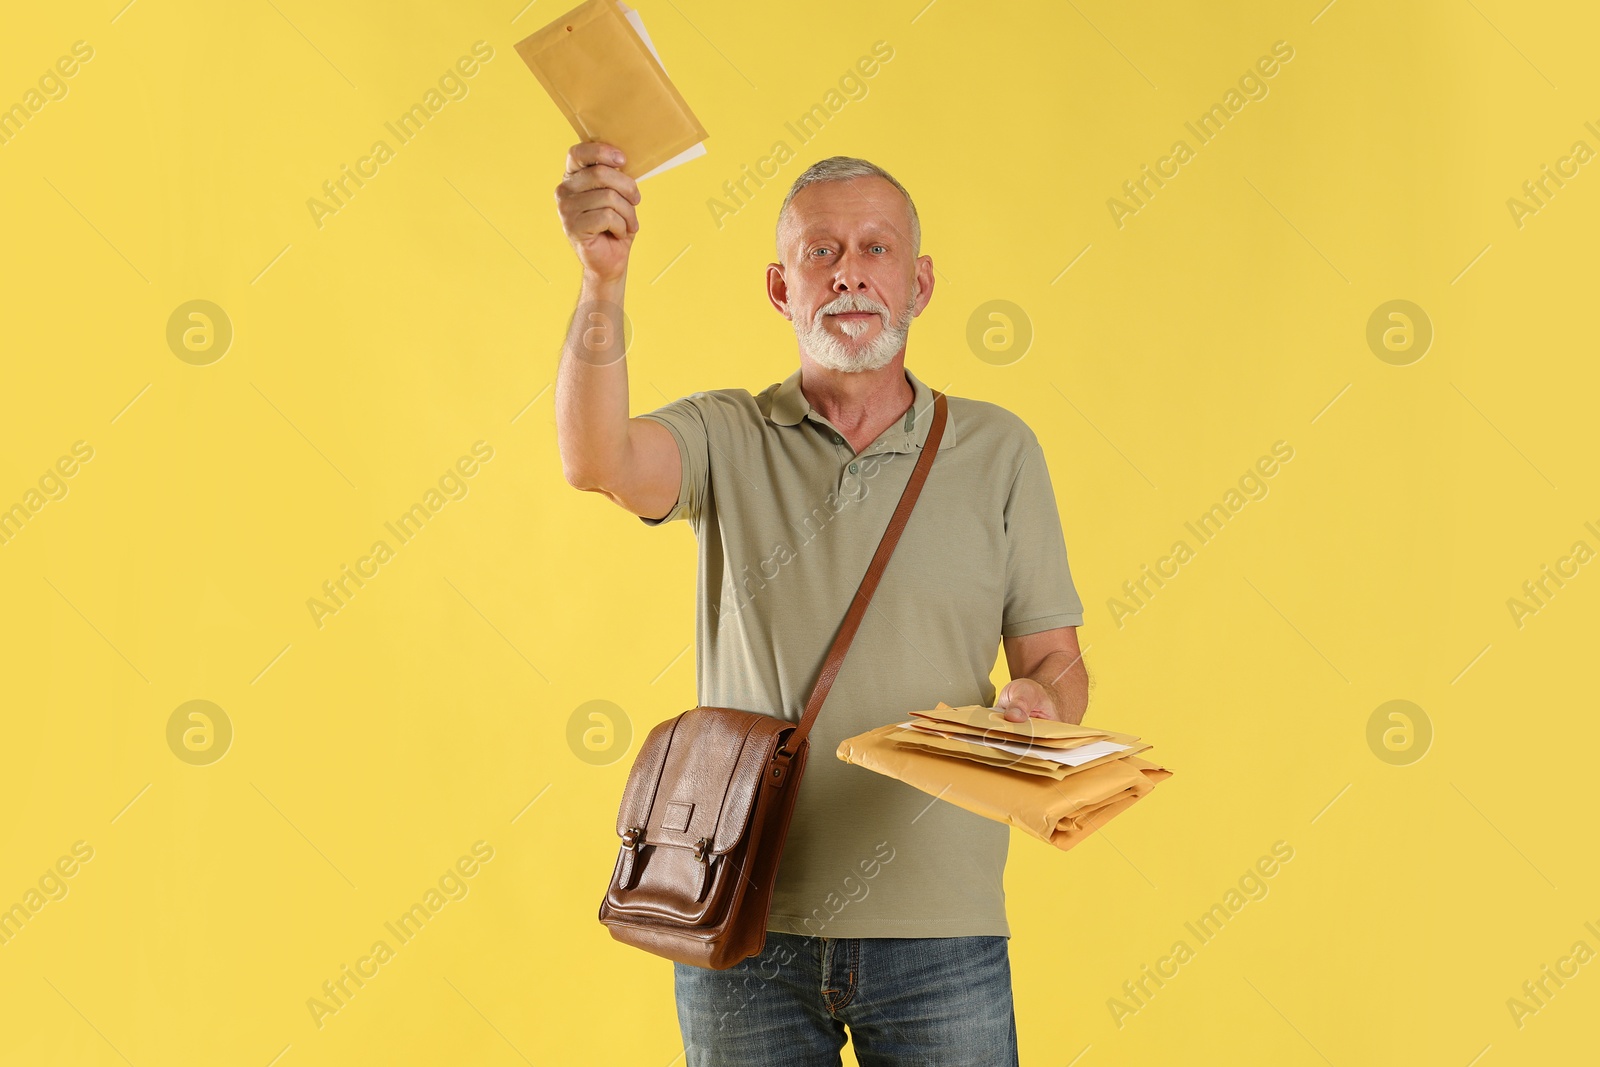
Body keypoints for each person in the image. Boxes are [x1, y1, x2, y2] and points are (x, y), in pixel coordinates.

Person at [553, 140, 1089, 1066]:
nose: (851, 274)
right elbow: (595, 461)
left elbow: (1057, 661)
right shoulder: (726, 433)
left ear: (919, 283)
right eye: (821, 253)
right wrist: (603, 282)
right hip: (741, 914)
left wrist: (1040, 707)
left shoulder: (1001, 451)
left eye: (877, 249)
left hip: (942, 929)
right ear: (780, 287)